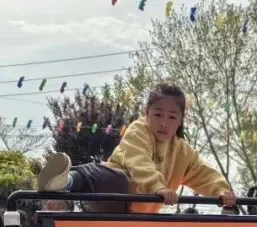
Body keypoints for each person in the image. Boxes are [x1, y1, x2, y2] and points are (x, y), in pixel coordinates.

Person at [39, 83, 237, 213]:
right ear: (147, 113)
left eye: (172, 117)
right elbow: (139, 162)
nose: (164, 123)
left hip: (140, 214)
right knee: (108, 176)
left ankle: (64, 185)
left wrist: (223, 191)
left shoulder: (182, 151)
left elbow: (203, 173)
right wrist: (158, 187)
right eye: (158, 115)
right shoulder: (138, 130)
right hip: (116, 197)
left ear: (181, 120)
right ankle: (64, 181)